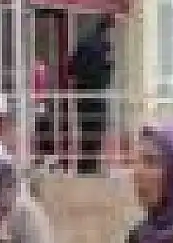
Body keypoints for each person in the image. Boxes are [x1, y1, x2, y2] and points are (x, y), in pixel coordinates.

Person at [67, 16, 115, 174]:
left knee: (85, 131)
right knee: (96, 131)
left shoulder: (84, 43)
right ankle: (91, 167)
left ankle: (84, 167)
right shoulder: (104, 47)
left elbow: (71, 69)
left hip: (83, 95)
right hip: (96, 95)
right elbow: (105, 74)